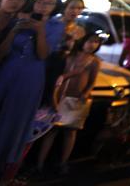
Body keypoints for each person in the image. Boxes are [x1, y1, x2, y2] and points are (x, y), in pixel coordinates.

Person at [0, 0, 63, 184]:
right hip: (5, 74)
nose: (43, 5)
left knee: (7, 127)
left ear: (55, 8)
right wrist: (14, 30)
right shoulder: (19, 19)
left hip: (28, 80)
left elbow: (42, 55)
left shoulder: (55, 26)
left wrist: (40, 31)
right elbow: (1, 54)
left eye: (49, 3)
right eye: (40, 0)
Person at [35, 32, 102, 175]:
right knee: (51, 130)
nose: (92, 45)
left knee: (70, 132)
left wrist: (85, 93)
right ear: (83, 41)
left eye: (96, 42)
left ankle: (63, 162)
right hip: (61, 97)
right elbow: (60, 76)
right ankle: (39, 163)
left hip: (77, 101)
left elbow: (91, 82)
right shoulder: (69, 56)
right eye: (90, 41)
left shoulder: (95, 61)